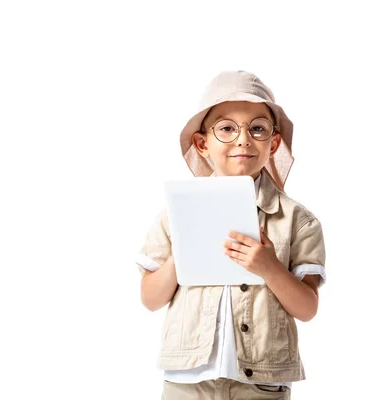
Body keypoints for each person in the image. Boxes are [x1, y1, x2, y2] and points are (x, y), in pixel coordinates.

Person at [136, 70, 327, 400]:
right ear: (202, 143)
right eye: (226, 128)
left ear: (274, 142)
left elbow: (307, 308)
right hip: (186, 381)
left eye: (257, 128)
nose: (242, 139)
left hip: (262, 384)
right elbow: (150, 299)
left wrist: (269, 268)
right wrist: (183, 252)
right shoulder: (175, 213)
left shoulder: (298, 221)